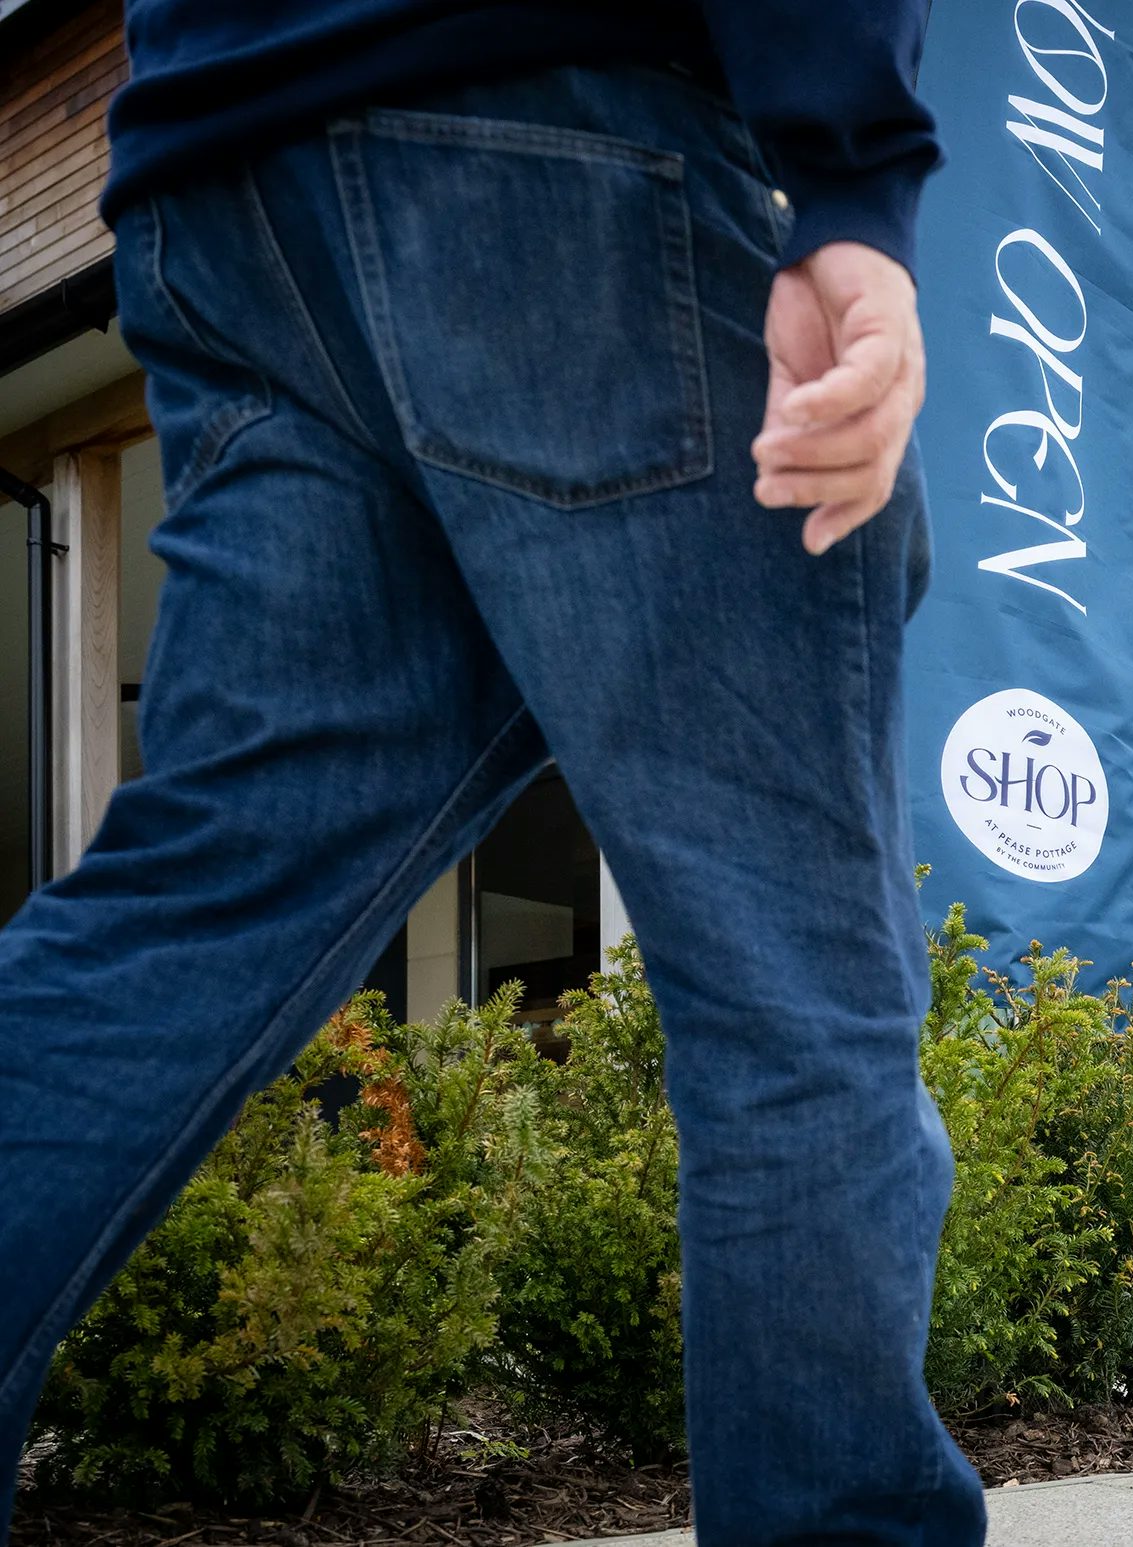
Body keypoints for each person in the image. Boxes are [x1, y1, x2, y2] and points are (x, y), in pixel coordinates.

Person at [0, 3, 985, 1542]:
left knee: (188, 919)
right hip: (558, 145)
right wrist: (851, 186)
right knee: (792, 979)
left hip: (222, 194)